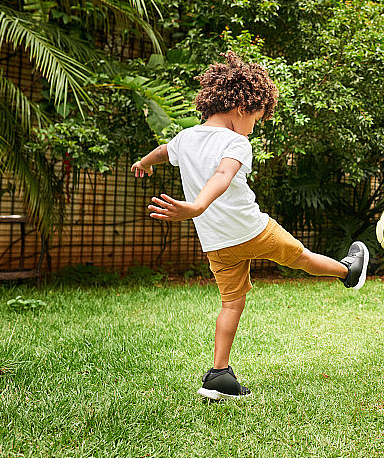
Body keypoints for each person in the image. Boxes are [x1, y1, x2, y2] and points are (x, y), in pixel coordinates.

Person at [131, 51, 369, 400]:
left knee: (231, 304)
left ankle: (219, 374)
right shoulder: (236, 141)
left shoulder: (186, 137)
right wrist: (196, 205)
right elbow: (224, 174)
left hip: (217, 244)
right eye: (256, 119)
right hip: (253, 231)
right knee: (301, 257)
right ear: (242, 108)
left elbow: (164, 150)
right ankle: (348, 272)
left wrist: (144, 162)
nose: (254, 127)